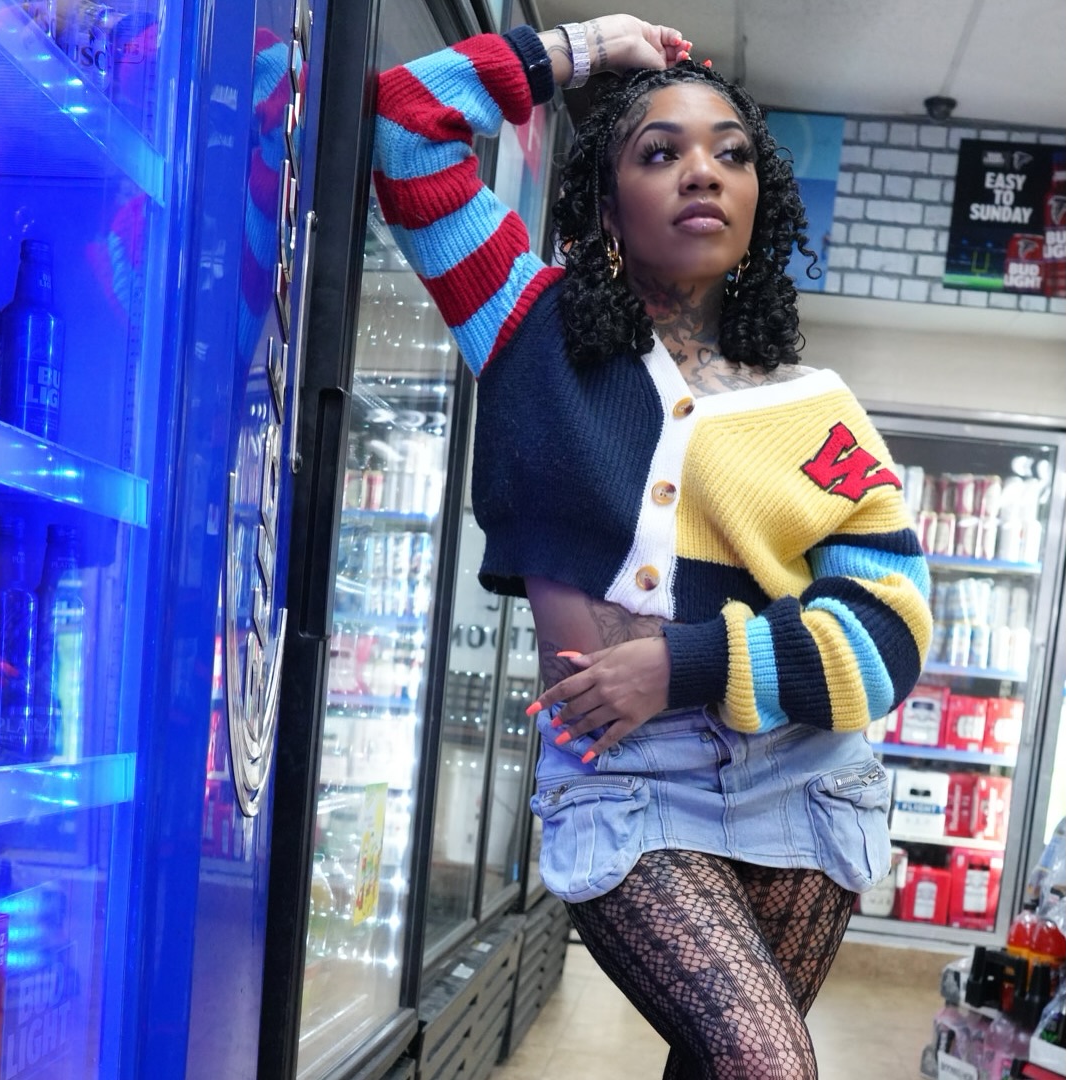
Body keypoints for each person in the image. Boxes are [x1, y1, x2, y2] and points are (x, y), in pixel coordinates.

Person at [374, 14, 932, 1079]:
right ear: (605, 202)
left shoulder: (818, 410)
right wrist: (589, 49)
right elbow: (407, 125)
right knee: (767, 1065)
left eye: (732, 153)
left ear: (761, 202)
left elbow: (889, 635)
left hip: (803, 775)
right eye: (660, 151)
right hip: (625, 779)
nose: (702, 172)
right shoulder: (523, 322)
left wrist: (684, 663)